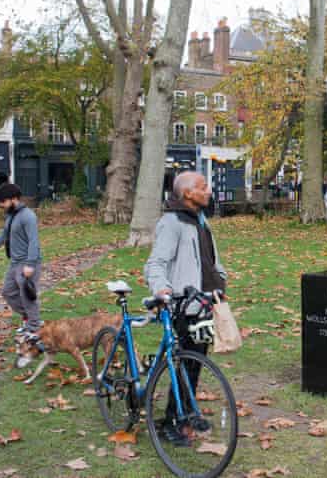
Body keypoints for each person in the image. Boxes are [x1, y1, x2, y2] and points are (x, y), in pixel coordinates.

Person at [145, 171, 228, 447]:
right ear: (188, 194)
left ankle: (187, 412)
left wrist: (221, 278)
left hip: (204, 301)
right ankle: (170, 421)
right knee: (183, 363)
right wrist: (161, 289)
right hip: (183, 305)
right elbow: (156, 262)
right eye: (202, 187)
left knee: (194, 363)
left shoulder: (200, 219)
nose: (208, 190)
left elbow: (210, 257)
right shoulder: (172, 223)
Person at [0, 183, 42, 338]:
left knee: (26, 295)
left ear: (13, 199)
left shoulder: (28, 216)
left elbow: (33, 241)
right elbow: (4, 235)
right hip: (14, 262)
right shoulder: (10, 215)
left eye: (3, 201)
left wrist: (30, 264)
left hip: (27, 262)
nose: (1, 205)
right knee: (8, 292)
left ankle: (34, 327)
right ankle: (30, 317)